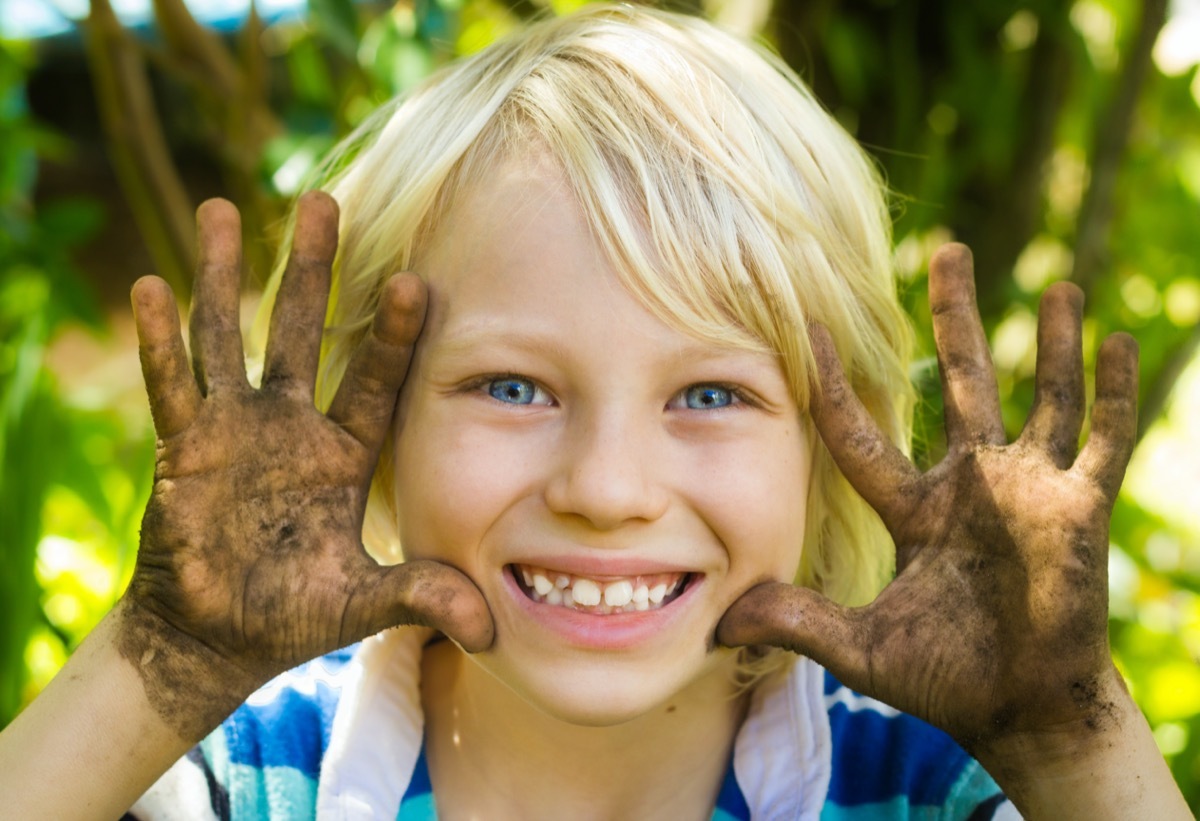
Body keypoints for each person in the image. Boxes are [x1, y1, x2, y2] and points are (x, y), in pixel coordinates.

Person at [0, 5, 1190, 819]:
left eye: (711, 393)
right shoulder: (260, 781)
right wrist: (157, 665)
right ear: (369, 420)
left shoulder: (923, 790)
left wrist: (1069, 740)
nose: (607, 486)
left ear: (837, 447)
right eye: (512, 387)